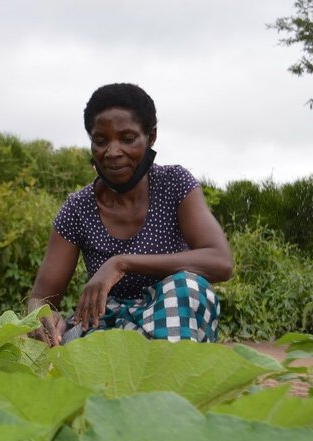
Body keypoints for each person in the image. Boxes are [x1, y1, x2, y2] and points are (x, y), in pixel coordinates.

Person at [28, 83, 233, 346]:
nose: (112, 153)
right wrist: (42, 314)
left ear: (151, 137)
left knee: (187, 286)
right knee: (72, 348)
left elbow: (220, 261)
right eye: (100, 141)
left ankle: (171, 382)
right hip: (107, 323)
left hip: (173, 320)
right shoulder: (78, 208)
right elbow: (41, 298)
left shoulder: (174, 184)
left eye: (127, 139)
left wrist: (121, 263)